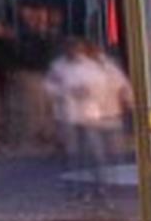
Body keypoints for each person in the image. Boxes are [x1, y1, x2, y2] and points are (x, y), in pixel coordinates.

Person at [47, 36, 133, 211]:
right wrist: (65, 93)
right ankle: (78, 190)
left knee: (98, 155)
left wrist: (92, 97)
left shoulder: (93, 66)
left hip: (91, 116)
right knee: (74, 155)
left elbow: (108, 86)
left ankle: (103, 188)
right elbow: (50, 87)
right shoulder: (60, 66)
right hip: (70, 117)